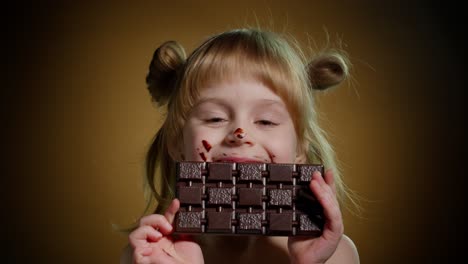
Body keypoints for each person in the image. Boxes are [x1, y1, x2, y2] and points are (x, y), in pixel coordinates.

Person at [120, 28, 360, 264]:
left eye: (266, 120)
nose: (240, 133)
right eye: (215, 118)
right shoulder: (149, 256)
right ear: (176, 143)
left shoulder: (335, 255)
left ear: (300, 149)